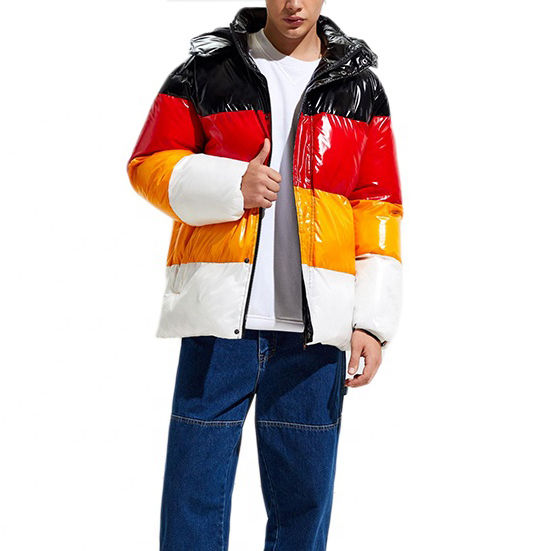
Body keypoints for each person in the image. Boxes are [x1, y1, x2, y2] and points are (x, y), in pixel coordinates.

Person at [126, 1, 403, 549]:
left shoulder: (359, 87)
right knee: (192, 493)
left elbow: (378, 206)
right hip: (219, 323)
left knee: (305, 503)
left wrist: (371, 321)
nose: (293, 5)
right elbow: (148, 163)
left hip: (314, 332)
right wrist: (232, 184)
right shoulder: (207, 70)